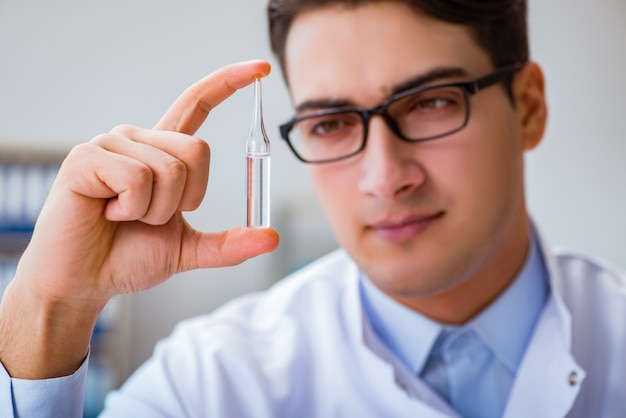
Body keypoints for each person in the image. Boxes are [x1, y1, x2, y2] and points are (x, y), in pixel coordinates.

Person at [0, 0, 624, 416]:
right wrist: (51, 308)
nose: (384, 178)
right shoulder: (211, 383)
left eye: (431, 102)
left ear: (529, 106)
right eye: (331, 123)